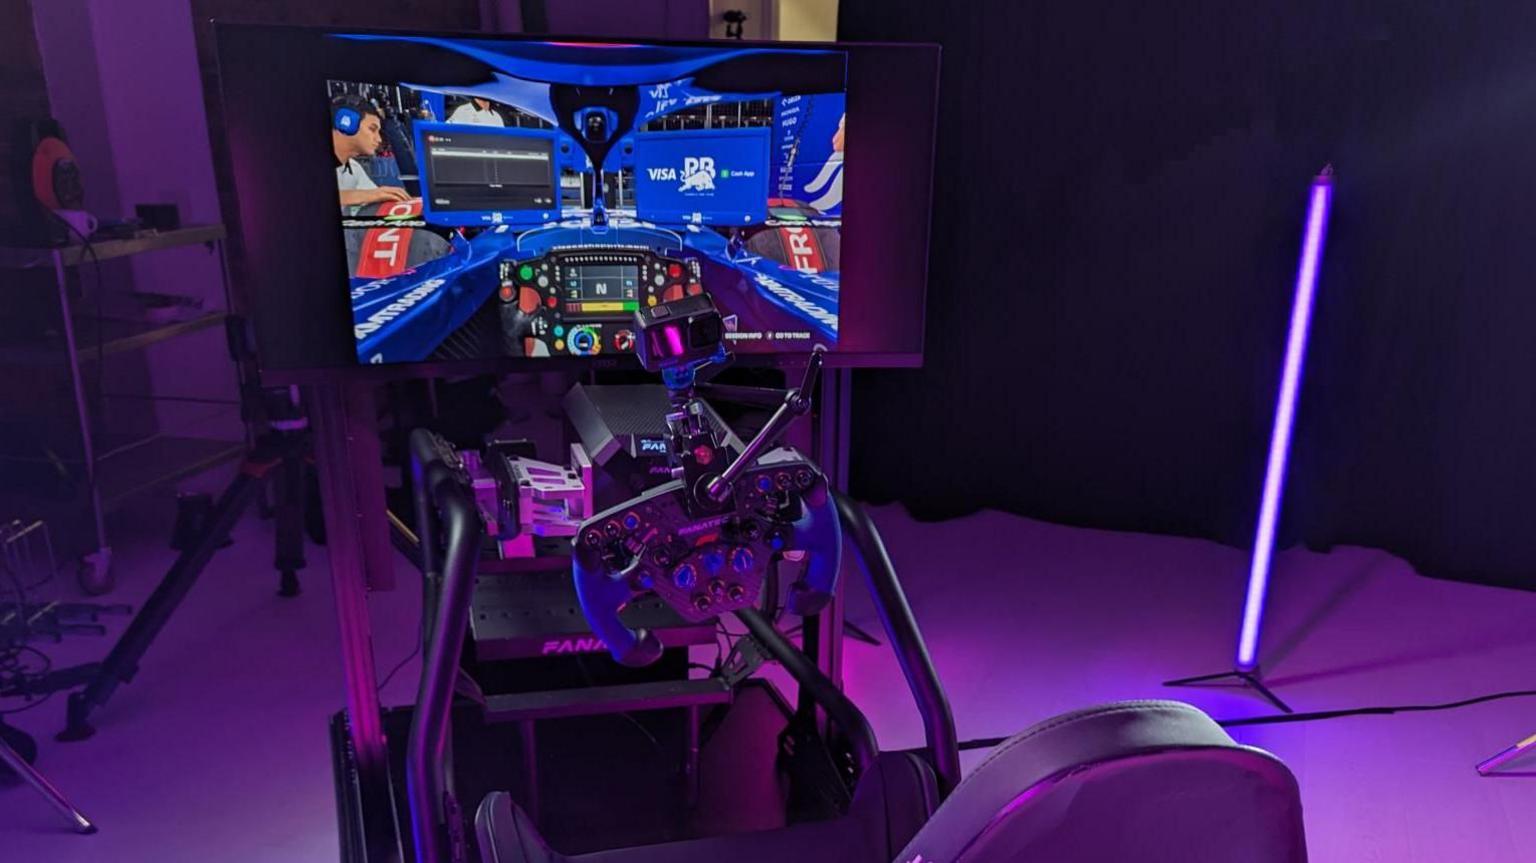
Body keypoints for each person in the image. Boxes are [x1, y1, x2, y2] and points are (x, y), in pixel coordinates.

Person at [332, 95, 411, 207]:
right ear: (346, 123)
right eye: (372, 129)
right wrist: (358, 196)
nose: (378, 139)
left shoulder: (354, 169)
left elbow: (375, 195)